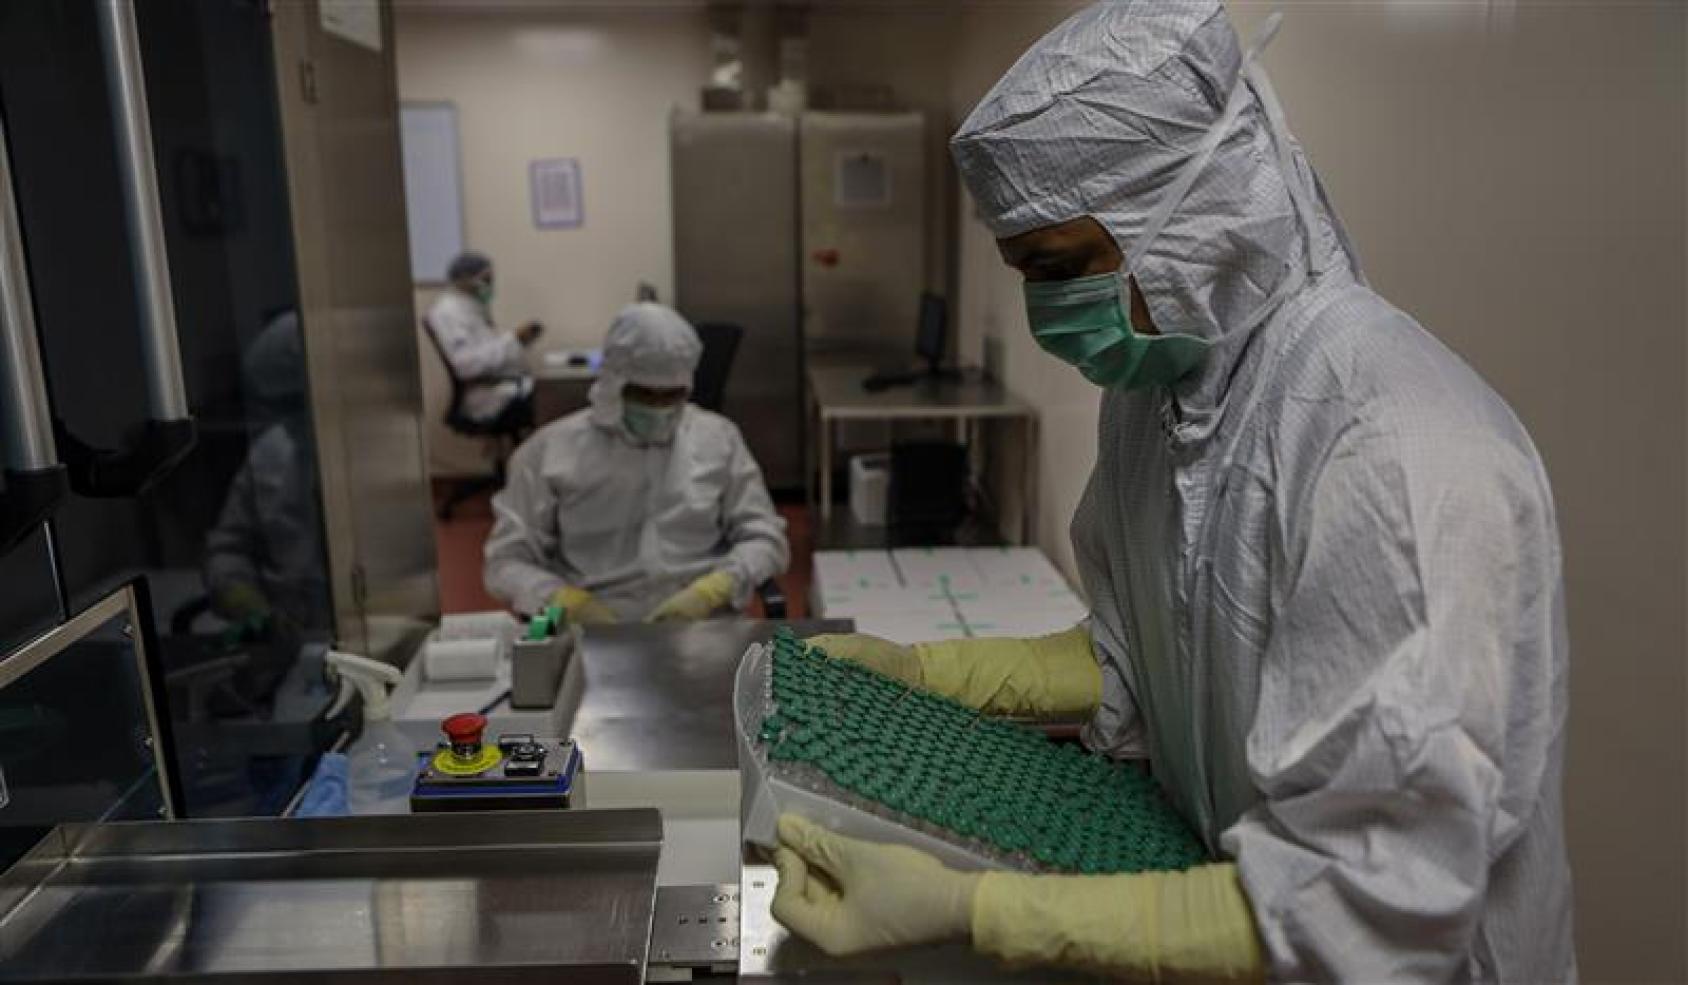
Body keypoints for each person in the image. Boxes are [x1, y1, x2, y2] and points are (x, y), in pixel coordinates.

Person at [769, 4, 1574, 983]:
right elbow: (1139, 652)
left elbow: (1355, 910)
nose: (1044, 312)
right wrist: (930, 674)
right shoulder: (1159, 391)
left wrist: (977, 905)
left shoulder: (1395, 451)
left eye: (1062, 268)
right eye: (1025, 274)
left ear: (1193, 217)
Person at [483, 302, 789, 624]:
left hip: (706, 624)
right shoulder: (547, 453)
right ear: (614, 383)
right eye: (645, 394)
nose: (659, 407)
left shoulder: (719, 439)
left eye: (671, 395)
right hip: (593, 630)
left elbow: (764, 536)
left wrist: (714, 590)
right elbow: (506, 562)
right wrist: (564, 600)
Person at [426, 251, 543, 429]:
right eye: (486, 280)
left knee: (550, 393)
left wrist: (518, 341)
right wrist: (513, 339)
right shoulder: (448, 312)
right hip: (485, 394)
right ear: (464, 279)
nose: (490, 286)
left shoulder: (471, 308)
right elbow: (467, 366)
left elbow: (488, 350)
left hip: (500, 384)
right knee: (552, 401)